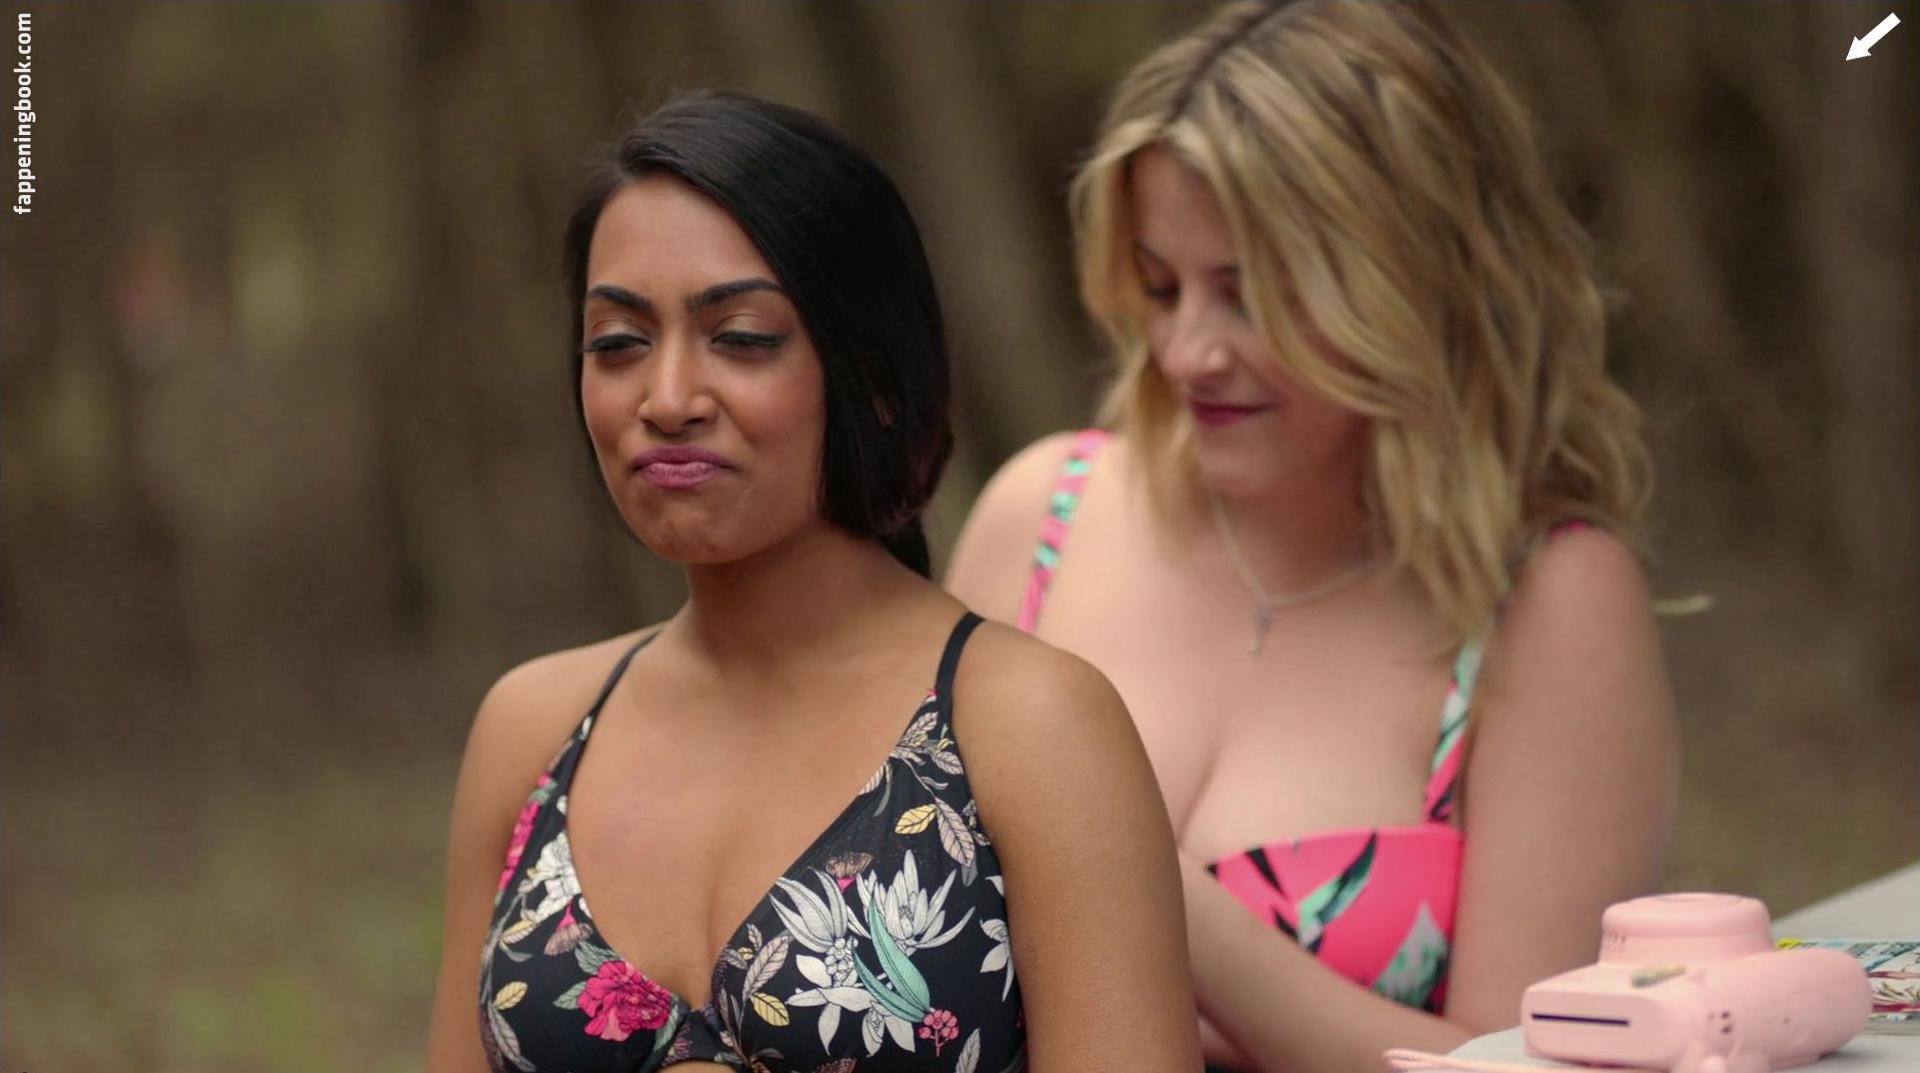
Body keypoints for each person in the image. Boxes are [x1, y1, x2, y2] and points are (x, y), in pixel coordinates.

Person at [946, 3, 1680, 1071]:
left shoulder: (1547, 598)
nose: (1187, 351)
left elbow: (1524, 1061)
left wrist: (1153, 892)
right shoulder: (1039, 516)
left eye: (1250, 295)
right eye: (1162, 286)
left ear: (1410, 279)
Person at [425, 92, 1201, 1073]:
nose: (667, 398)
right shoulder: (531, 731)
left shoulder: (1031, 729)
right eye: (618, 342)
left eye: (742, 337)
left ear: (872, 373)